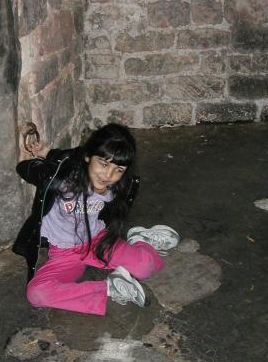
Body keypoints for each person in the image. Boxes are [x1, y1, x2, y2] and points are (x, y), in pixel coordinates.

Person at [13, 123, 179, 316]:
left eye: (118, 169)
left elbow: (112, 195)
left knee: (145, 267)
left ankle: (139, 240)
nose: (108, 175)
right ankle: (110, 287)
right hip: (64, 253)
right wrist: (39, 156)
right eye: (103, 164)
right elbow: (49, 164)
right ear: (87, 157)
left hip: (98, 241)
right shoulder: (64, 180)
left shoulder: (117, 188)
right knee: (37, 294)